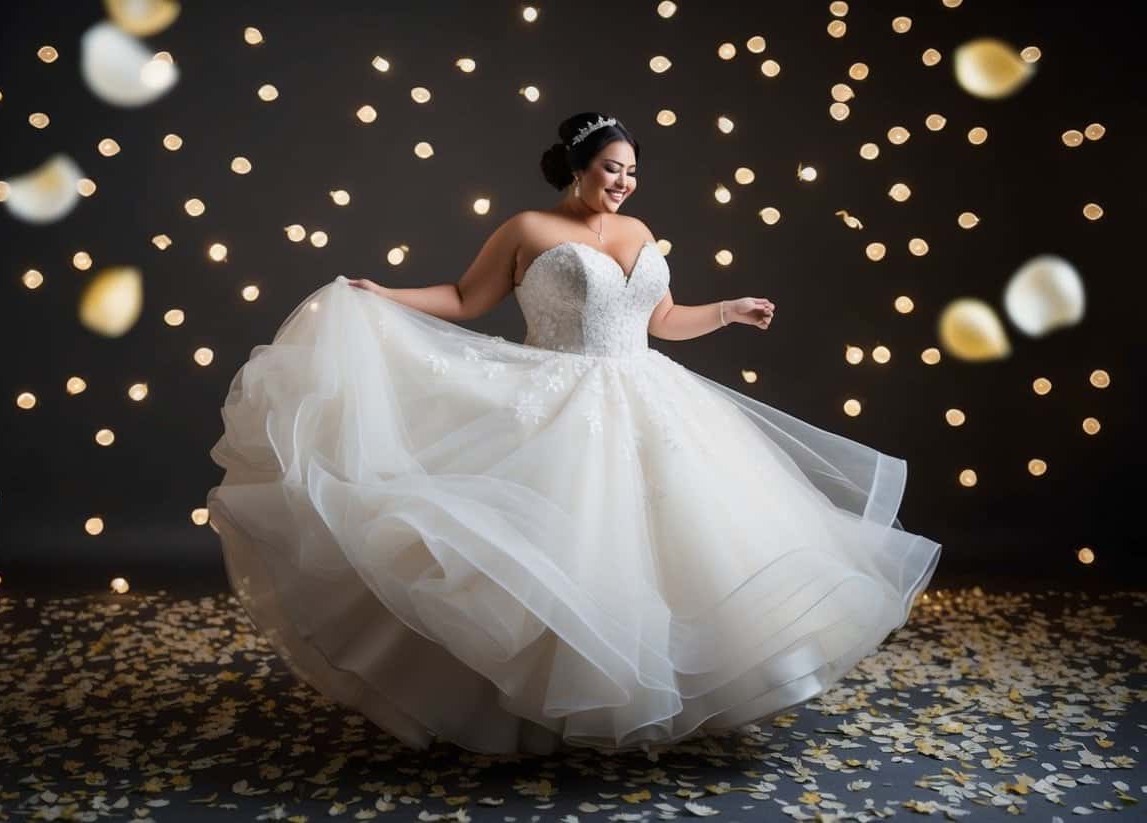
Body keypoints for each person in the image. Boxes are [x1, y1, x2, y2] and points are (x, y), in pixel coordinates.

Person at [206, 111, 942, 756]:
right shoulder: (529, 229)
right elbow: (466, 298)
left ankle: (649, 703)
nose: (622, 183)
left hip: (652, 397)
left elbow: (658, 321)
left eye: (631, 172)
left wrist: (728, 310)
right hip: (556, 400)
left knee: (673, 551)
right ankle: (536, 708)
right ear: (578, 166)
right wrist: (382, 294)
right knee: (549, 554)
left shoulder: (640, 230)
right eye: (610, 169)